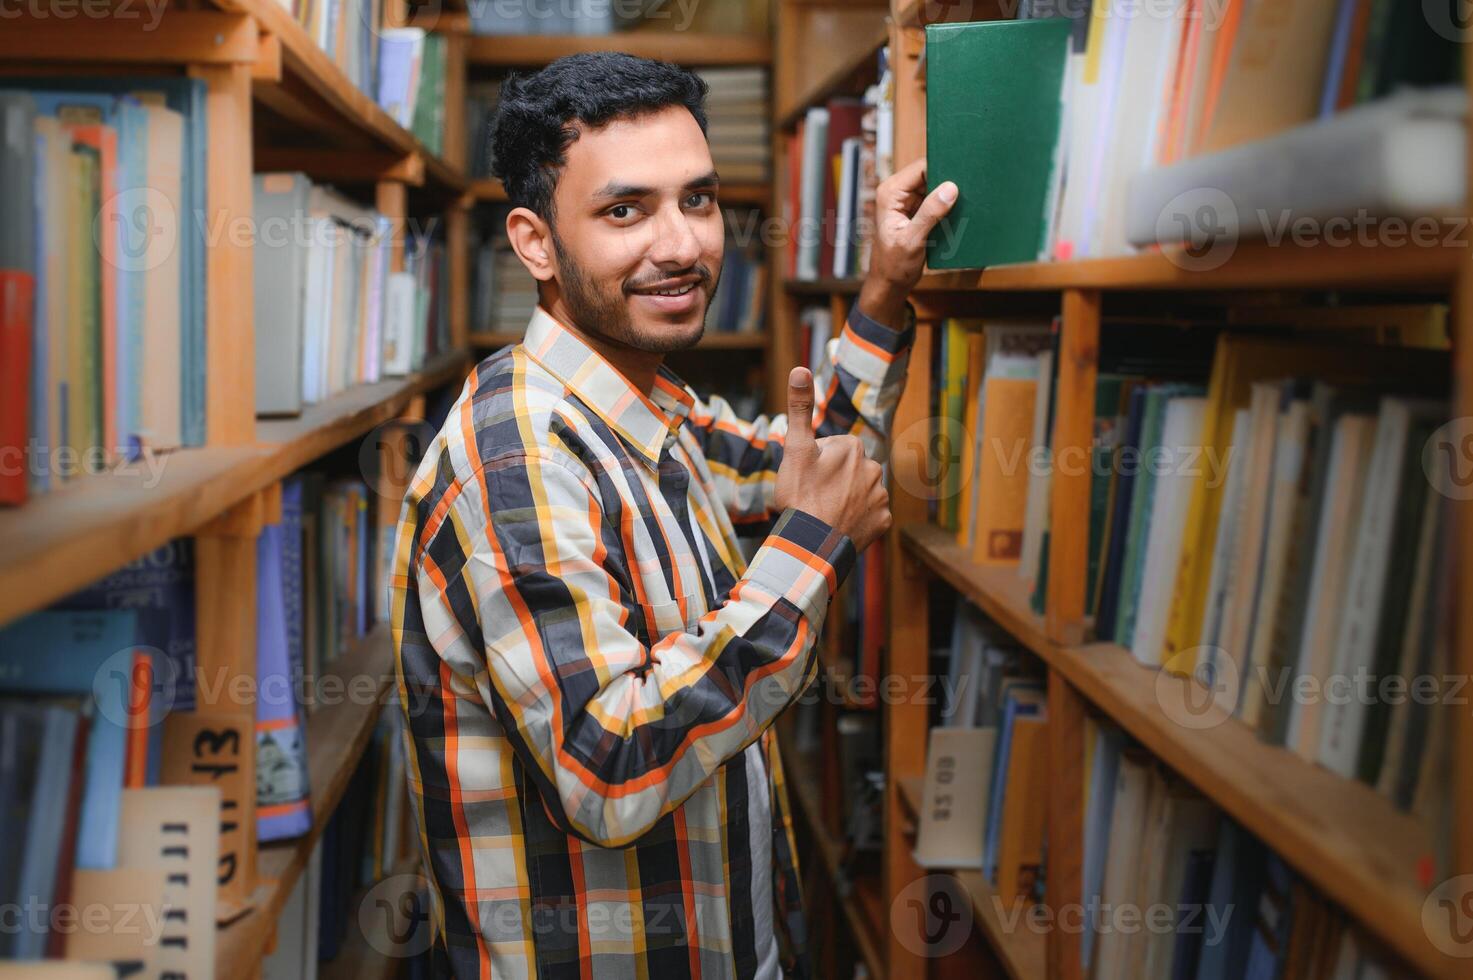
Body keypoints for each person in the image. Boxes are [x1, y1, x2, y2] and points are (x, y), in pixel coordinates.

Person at [390, 51, 957, 979]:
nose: (684, 245)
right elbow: (605, 764)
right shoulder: (517, 456)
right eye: (625, 210)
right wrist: (811, 549)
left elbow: (810, 468)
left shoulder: (650, 407)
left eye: (696, 200)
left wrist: (886, 292)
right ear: (534, 242)